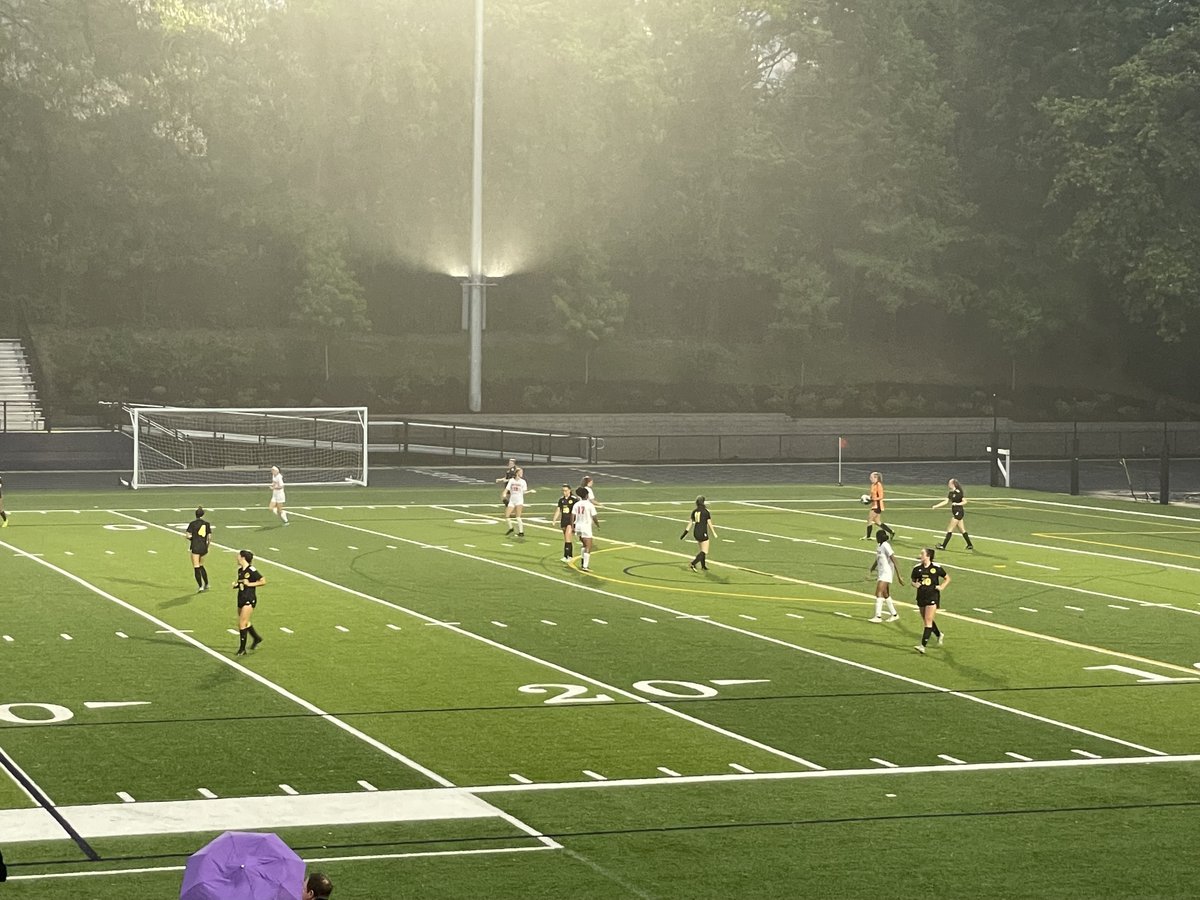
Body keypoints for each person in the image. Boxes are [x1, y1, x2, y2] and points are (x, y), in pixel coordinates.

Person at [910, 547, 950, 654]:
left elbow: (947, 578)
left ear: (928, 556)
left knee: (928, 620)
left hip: (932, 596)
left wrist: (941, 587)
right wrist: (915, 585)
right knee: (927, 619)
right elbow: (913, 581)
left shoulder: (936, 568)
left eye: (922, 554)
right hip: (921, 596)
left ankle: (922, 646)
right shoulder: (917, 568)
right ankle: (939, 634)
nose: (920, 555)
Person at [232, 549, 266, 657]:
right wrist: (236, 585)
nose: (237, 558)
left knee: (242, 623)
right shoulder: (240, 570)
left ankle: (242, 649)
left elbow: (263, 581)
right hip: (241, 597)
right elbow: (242, 583)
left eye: (238, 556)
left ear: (243, 558)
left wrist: (250, 584)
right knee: (245, 622)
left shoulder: (251, 570)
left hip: (249, 599)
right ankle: (256, 638)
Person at [933, 478, 975, 550]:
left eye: (949, 483)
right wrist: (936, 506)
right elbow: (946, 501)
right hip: (955, 512)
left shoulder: (958, 492)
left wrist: (957, 504)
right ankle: (969, 544)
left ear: (953, 484)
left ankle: (943, 546)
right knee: (962, 530)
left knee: (950, 528)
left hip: (958, 512)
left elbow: (965, 501)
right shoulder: (951, 493)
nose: (948, 484)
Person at [868, 530, 900, 623]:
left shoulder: (886, 545)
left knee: (878, 592)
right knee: (886, 594)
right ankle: (894, 614)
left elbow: (894, 559)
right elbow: (878, 558)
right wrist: (872, 568)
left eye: (877, 536)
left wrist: (899, 575)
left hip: (887, 573)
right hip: (881, 573)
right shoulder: (879, 546)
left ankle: (878, 616)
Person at [681, 495, 716, 571]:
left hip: (696, 532)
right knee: (704, 551)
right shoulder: (705, 511)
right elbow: (709, 523)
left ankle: (703, 566)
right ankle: (693, 563)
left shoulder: (694, 511)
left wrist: (684, 534)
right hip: (703, 532)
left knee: (702, 550)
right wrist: (714, 532)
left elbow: (690, 524)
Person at [185, 506, 213, 592]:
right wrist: (207, 546)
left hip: (195, 547)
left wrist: (192, 539)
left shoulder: (192, 524)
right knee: (201, 565)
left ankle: (200, 586)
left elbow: (188, 535)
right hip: (203, 547)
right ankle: (207, 583)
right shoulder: (207, 524)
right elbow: (209, 537)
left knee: (196, 566)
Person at [864, 471, 895, 542]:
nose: (870, 478)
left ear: (876, 478)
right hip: (874, 504)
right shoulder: (872, 485)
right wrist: (868, 499)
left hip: (878, 505)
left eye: (871, 477)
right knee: (877, 521)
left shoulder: (879, 485)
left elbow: (881, 496)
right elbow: (871, 495)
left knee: (869, 519)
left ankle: (868, 536)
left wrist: (873, 499)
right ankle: (891, 532)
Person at [573, 486, 598, 571]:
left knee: (584, 545)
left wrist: (572, 526)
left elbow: (573, 516)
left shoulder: (577, 504)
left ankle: (583, 562)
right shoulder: (589, 505)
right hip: (586, 527)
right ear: (586, 495)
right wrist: (597, 524)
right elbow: (594, 516)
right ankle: (585, 566)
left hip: (578, 526)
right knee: (588, 546)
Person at [503, 467, 533, 537]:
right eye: (520, 472)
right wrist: (504, 494)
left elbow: (523, 492)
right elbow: (507, 489)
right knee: (507, 515)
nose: (522, 473)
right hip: (512, 500)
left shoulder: (523, 482)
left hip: (519, 500)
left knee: (518, 517)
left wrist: (530, 491)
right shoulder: (511, 481)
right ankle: (511, 528)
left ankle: (521, 532)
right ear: (517, 473)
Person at [551, 484, 578, 563]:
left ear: (569, 490)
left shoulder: (574, 499)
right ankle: (569, 555)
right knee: (567, 538)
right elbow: (558, 510)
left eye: (566, 490)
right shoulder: (561, 500)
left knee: (567, 537)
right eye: (563, 491)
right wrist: (554, 519)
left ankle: (567, 555)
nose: (564, 492)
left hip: (570, 521)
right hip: (564, 520)